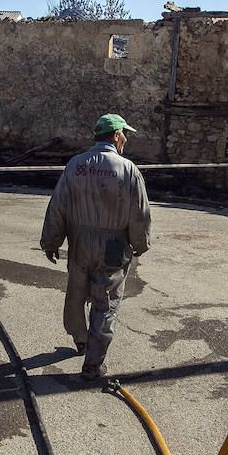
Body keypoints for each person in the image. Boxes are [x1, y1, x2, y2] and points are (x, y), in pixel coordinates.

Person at [40, 113, 152, 382]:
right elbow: (140, 213)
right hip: (113, 245)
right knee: (106, 302)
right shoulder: (128, 169)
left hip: (79, 243)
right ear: (115, 136)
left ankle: (80, 339)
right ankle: (93, 363)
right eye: (124, 134)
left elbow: (59, 205)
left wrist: (52, 241)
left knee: (76, 294)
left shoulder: (75, 166)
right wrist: (140, 243)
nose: (126, 139)